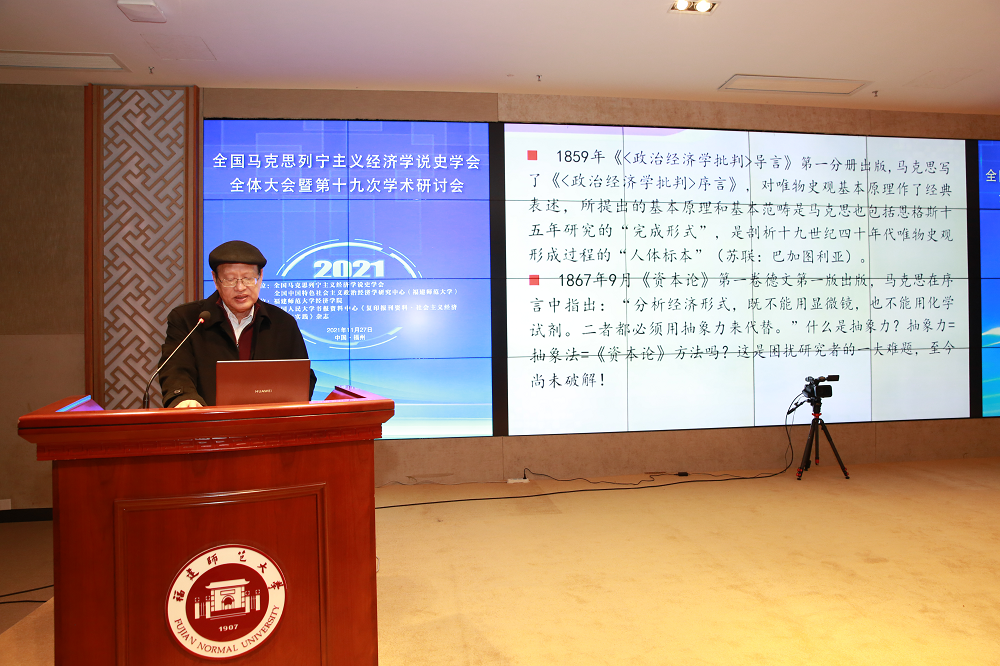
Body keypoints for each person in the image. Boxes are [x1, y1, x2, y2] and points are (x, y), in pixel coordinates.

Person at [158, 240, 317, 408]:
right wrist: (185, 398)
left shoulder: (282, 323)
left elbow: (302, 376)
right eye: (230, 279)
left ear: (260, 277)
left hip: (267, 420)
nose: (240, 287)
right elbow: (175, 368)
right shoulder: (189, 319)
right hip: (208, 420)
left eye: (248, 279)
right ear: (215, 280)